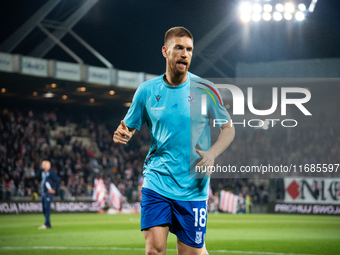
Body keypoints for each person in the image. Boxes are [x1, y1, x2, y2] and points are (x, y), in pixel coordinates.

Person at [113, 27, 235, 255]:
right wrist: (121, 134)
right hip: (157, 180)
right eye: (179, 48)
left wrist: (212, 153)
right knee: (154, 250)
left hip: (193, 187)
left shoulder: (206, 89)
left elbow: (228, 129)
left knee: (191, 253)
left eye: (189, 49)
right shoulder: (146, 91)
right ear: (165, 51)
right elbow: (126, 128)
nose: (185, 54)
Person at [38, 160, 60, 230]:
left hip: (49, 193)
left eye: (44, 164)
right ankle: (47, 223)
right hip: (43, 193)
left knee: (47, 208)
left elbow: (57, 180)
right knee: (44, 209)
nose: (42, 165)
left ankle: (47, 224)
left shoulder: (51, 172)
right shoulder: (43, 173)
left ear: (48, 165)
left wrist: (54, 189)